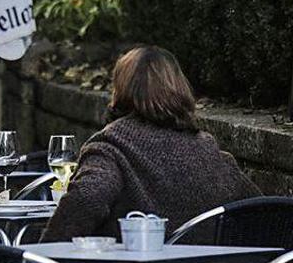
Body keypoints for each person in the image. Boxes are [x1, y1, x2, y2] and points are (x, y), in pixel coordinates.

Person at [42, 46, 259, 242]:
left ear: (121, 88)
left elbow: (87, 198)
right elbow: (264, 210)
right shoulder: (206, 149)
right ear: (180, 87)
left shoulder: (111, 145)